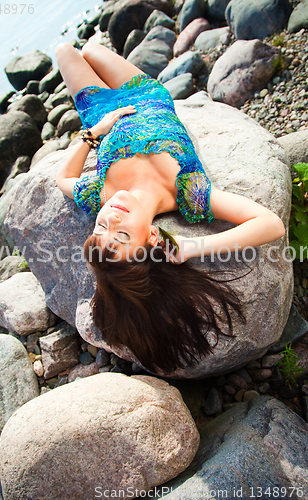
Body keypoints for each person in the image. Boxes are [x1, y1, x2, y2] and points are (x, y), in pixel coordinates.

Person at [55, 42, 285, 375]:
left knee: (72, 49)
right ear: (150, 236)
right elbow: (270, 224)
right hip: (148, 96)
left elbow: (63, 178)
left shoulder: (101, 196)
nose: (111, 217)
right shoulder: (188, 196)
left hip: (98, 111)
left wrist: (95, 131)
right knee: (77, 50)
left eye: (101, 228)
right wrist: (193, 247)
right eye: (121, 234)